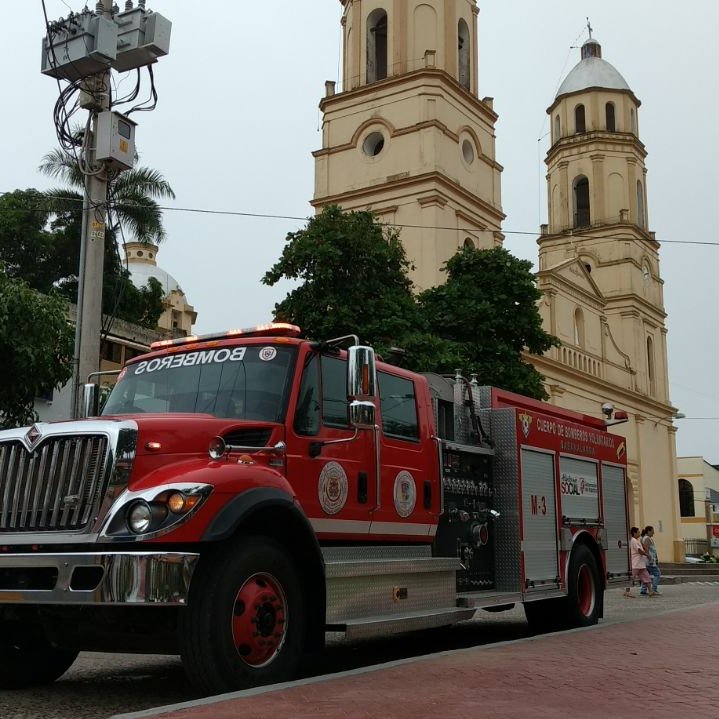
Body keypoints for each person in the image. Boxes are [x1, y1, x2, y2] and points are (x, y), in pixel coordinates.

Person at [630, 526, 655, 597]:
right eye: (638, 532)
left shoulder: (637, 540)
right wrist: (647, 554)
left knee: (646, 577)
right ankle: (627, 591)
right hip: (636, 563)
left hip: (641, 564)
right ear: (634, 533)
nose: (639, 533)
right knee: (632, 577)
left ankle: (650, 591)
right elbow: (639, 551)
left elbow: (642, 548)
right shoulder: (633, 541)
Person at [641, 526, 662, 595]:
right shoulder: (647, 538)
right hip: (650, 561)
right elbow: (646, 548)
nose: (654, 533)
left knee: (646, 575)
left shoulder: (645, 538)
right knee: (657, 574)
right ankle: (654, 589)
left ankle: (643, 590)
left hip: (647, 561)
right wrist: (649, 557)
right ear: (649, 531)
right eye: (652, 531)